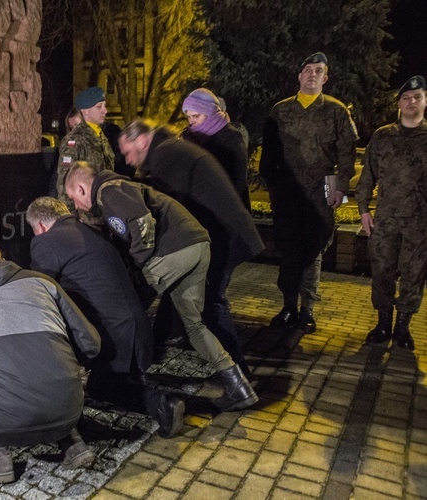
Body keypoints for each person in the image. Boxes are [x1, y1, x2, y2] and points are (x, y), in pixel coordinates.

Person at [64, 163, 258, 412]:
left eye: (73, 199)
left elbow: (142, 223)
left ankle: (128, 374)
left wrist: (139, 263)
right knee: (194, 325)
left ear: (80, 188)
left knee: (128, 306)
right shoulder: (122, 187)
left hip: (173, 251)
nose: (77, 207)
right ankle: (239, 386)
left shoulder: (107, 190)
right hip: (198, 247)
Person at [0, 238, 101, 483]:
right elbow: (91, 343)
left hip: (5, 423)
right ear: (1, 259)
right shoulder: (42, 282)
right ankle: (73, 442)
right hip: (69, 411)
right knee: (44, 359)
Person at [26, 197, 184, 438]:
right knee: (109, 381)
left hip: (114, 336)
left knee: (101, 387)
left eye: (34, 231)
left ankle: (162, 404)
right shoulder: (91, 232)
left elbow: (39, 293)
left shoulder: (46, 242)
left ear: (40, 226)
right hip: (137, 329)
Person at [118, 119, 264, 377]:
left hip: (224, 237)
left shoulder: (166, 155)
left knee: (209, 305)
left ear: (141, 141)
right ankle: (155, 347)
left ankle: (238, 374)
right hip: (223, 233)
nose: (128, 160)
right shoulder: (170, 148)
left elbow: (165, 206)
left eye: (128, 152)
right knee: (178, 288)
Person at [260, 52, 357, 333]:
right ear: (299, 75)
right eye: (307, 69)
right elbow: (270, 153)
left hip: (320, 189)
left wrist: (340, 190)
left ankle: (307, 310)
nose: (312, 74)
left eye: (318, 70)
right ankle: (288, 306)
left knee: (313, 250)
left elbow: (347, 153)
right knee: (288, 248)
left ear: (325, 78)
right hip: (288, 191)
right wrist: (274, 186)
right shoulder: (280, 110)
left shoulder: (337, 111)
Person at [355, 76, 427, 351]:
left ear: (425, 101)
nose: (411, 102)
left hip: (419, 223)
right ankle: (383, 323)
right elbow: (367, 176)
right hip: (385, 219)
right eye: (406, 98)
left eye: (417, 97)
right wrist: (363, 210)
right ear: (399, 104)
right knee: (382, 272)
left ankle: (403, 326)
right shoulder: (383, 136)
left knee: (413, 275)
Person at [181, 88, 252, 210]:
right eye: (189, 117)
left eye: (196, 116)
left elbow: (237, 180)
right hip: (197, 209)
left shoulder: (231, 137)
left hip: (224, 209)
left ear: (210, 113)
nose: (192, 121)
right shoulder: (188, 137)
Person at [56, 87, 115, 207]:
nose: (105, 111)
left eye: (104, 106)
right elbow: (65, 183)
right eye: (99, 107)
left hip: (104, 207)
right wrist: (71, 218)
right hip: (85, 212)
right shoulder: (75, 139)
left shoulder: (100, 136)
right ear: (85, 111)